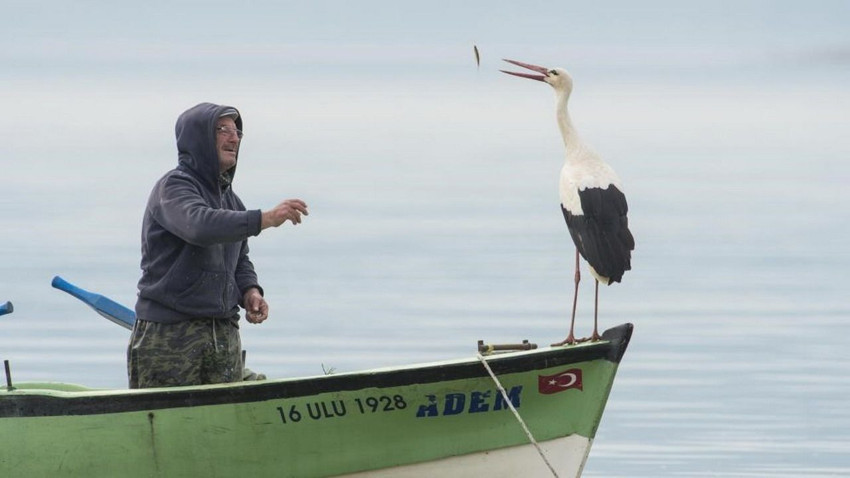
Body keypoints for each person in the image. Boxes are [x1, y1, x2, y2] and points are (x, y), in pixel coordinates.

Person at [128, 102, 308, 388]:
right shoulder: (173, 188)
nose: (234, 138)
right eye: (222, 130)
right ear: (197, 138)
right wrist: (265, 219)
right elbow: (199, 226)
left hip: (223, 334)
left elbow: (239, 260)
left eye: (237, 132)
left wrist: (250, 291)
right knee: (173, 416)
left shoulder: (233, 202)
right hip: (171, 334)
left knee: (227, 415)